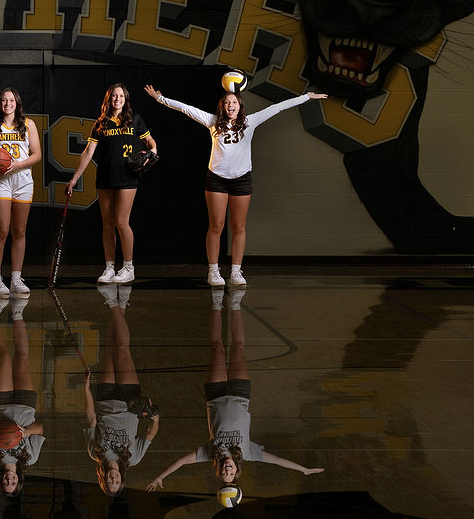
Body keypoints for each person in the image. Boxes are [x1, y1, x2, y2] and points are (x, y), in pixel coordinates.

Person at [144, 83, 327, 287]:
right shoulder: (212, 121)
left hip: (241, 179)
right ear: (222, 106)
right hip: (217, 180)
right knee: (216, 226)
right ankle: (213, 271)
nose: (230, 105)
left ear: (240, 106)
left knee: (239, 227)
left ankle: (236, 271)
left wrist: (306, 97)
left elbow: (277, 107)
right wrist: (160, 99)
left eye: (234, 102)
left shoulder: (250, 121)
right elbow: (186, 109)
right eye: (226, 103)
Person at [144, 286, 323, 493]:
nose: (227, 471)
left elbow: (182, 461)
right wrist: (303, 470)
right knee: (238, 347)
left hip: (215, 396)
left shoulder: (211, 453)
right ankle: (236, 303)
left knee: (217, 347)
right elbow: (277, 460)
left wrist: (160, 477)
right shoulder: (247, 453)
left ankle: (216, 303)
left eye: (224, 474)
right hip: (240, 395)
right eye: (231, 474)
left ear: (219, 471)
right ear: (237, 470)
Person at [65, 83, 158, 284]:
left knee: (121, 222)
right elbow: (88, 152)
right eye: (114, 96)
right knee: (107, 224)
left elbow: (151, 143)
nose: (118, 99)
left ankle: (128, 267)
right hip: (105, 177)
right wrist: (74, 179)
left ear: (126, 99)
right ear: (109, 99)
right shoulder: (101, 123)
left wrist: (152, 153)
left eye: (121, 96)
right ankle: (109, 268)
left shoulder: (135, 120)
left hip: (127, 177)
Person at [83, 291, 159, 496]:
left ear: (103, 478)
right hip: (129, 401)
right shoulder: (133, 459)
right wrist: (155, 416)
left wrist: (86, 389)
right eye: (116, 482)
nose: (113, 479)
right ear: (121, 479)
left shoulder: (95, 454)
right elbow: (151, 433)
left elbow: (91, 418)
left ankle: (121, 304)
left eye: (109, 482)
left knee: (109, 349)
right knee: (123, 350)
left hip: (105, 397)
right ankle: (113, 303)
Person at [0, 297, 45, 497]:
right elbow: (40, 429)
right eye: (13, 483)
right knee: (22, 357)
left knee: (3, 357)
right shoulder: (30, 459)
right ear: (19, 480)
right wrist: (25, 433)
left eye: (6, 482)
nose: (10, 480)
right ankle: (18, 313)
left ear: (0, 480)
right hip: (26, 406)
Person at [0, 87, 42, 296]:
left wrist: (18, 165)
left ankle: (16, 278)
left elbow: (37, 155)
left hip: (23, 181)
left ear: (17, 103)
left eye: (11, 100)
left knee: (20, 231)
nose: (8, 104)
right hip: (0, 182)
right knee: (2, 230)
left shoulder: (28, 124)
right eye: (4, 101)